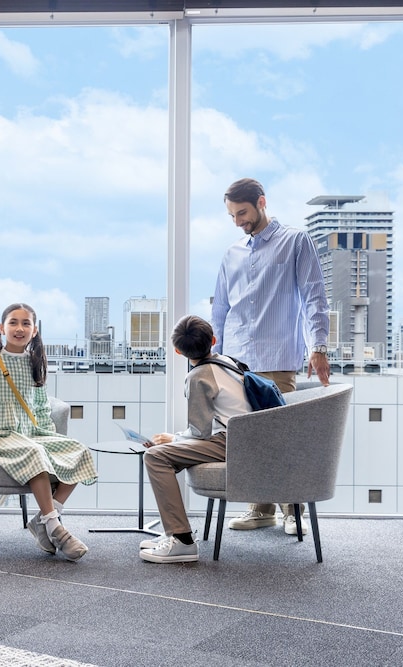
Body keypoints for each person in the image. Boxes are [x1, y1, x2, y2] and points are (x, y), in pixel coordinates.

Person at [211, 177, 330, 537]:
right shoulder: (232, 253)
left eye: (242, 213)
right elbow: (220, 309)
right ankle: (260, 509)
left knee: (280, 437)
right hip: (236, 362)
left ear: (262, 202)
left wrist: (319, 347)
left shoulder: (295, 241)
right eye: (232, 216)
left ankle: (293, 511)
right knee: (247, 439)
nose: (238, 222)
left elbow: (314, 297)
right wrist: (213, 358)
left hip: (277, 359)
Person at [0, 303, 98, 561]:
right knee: (35, 453)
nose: (19, 328)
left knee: (79, 451)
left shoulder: (36, 363)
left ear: (34, 331)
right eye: (13, 322)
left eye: (26, 323)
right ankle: (56, 527)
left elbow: (41, 407)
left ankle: (44, 520)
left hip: (31, 433)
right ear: (2, 328)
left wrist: (50, 437)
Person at [139, 315, 252, 564]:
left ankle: (182, 540)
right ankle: (174, 532)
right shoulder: (228, 363)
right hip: (247, 438)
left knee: (155, 456)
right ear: (213, 340)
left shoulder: (200, 375)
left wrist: (173, 438)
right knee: (165, 454)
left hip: (230, 442)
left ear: (178, 352)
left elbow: (199, 432)